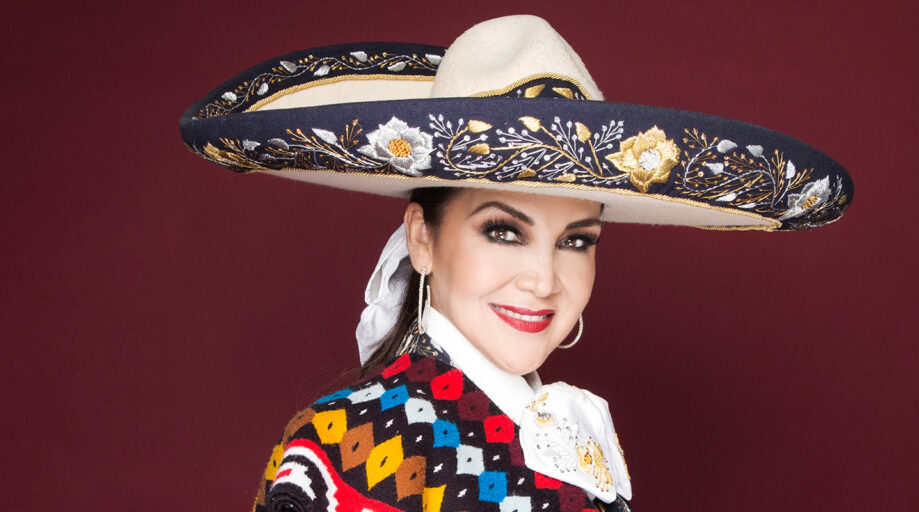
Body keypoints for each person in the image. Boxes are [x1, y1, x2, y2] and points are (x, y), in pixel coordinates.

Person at [180, 15, 852, 512]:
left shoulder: (565, 430)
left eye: (576, 240)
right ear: (422, 238)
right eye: (503, 230)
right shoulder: (340, 446)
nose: (544, 279)